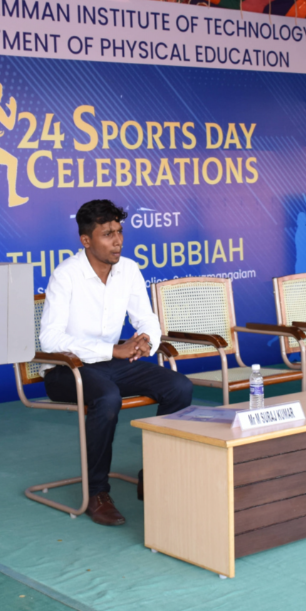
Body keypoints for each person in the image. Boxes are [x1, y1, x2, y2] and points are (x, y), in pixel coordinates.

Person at [39, 200, 192, 526]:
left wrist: (146, 339)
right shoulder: (66, 275)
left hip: (109, 364)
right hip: (66, 370)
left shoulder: (129, 269)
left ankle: (155, 474)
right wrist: (112, 350)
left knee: (179, 386)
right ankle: (96, 492)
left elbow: (147, 319)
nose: (118, 241)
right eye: (107, 234)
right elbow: (50, 340)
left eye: (119, 232)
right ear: (86, 240)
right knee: (107, 398)